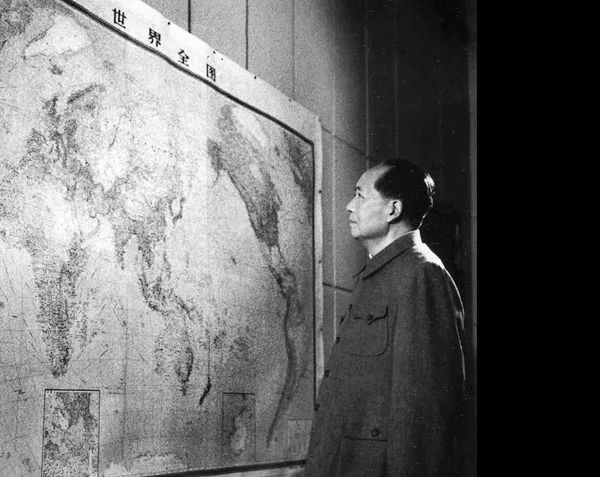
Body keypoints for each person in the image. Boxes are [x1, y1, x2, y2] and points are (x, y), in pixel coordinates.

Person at [304, 159, 466, 476]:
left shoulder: (421, 274)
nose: (349, 206)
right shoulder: (382, 274)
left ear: (393, 209)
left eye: (360, 195)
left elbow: (423, 413)